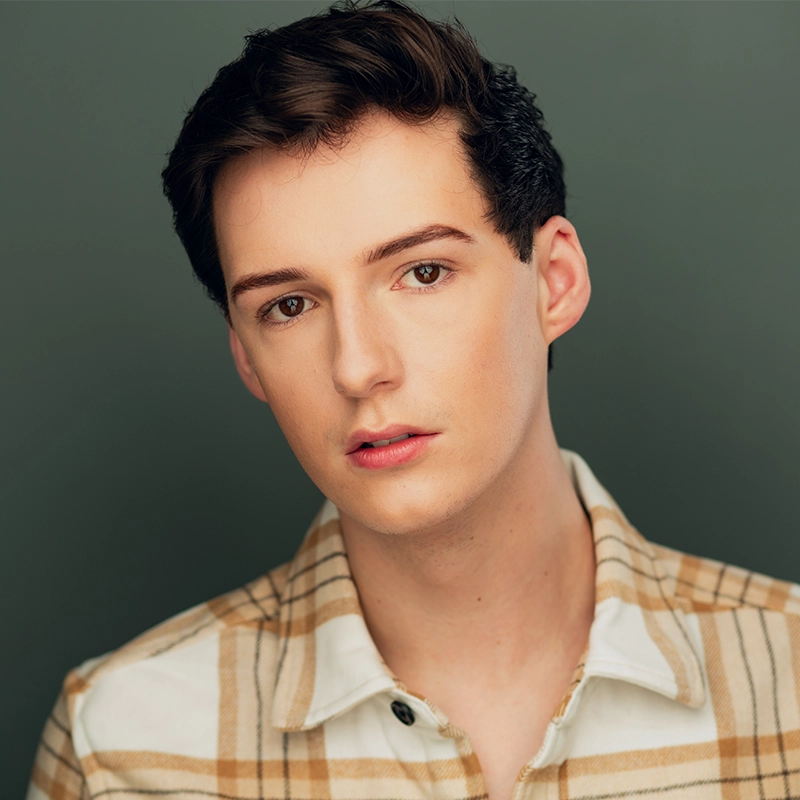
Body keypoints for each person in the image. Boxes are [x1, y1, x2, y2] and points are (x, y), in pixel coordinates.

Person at [27, 2, 800, 799]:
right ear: (247, 360)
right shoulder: (123, 745)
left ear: (555, 282)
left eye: (422, 272)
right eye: (288, 306)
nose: (358, 367)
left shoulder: (792, 687)